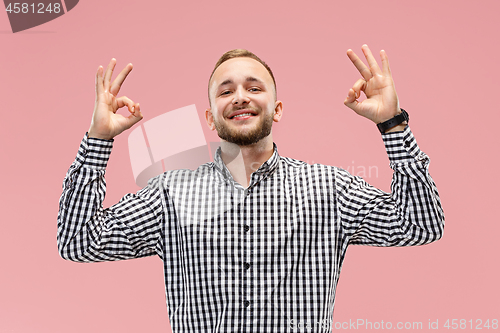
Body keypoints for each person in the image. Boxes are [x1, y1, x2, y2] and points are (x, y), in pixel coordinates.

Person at [57, 45, 444, 332]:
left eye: (254, 87)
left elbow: (420, 226)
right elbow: (78, 242)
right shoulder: (169, 194)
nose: (240, 96)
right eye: (225, 91)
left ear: (276, 109)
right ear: (210, 118)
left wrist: (393, 123)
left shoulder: (330, 188)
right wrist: (98, 139)